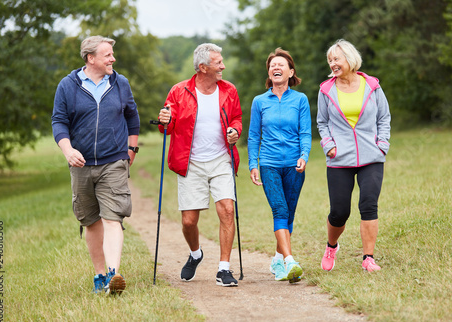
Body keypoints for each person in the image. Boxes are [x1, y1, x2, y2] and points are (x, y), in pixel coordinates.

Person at [51, 36, 140, 294]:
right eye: (108, 55)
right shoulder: (68, 86)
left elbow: (132, 117)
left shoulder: (120, 83)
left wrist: (130, 151)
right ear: (91, 58)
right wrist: (68, 150)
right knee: (91, 221)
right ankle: (100, 276)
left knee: (113, 218)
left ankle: (114, 274)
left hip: (113, 161)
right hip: (81, 165)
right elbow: (59, 122)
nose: (113, 59)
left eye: (112, 54)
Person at [157, 43, 242, 287]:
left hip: (220, 160)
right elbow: (167, 127)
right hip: (190, 162)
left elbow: (236, 118)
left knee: (227, 209)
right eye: (218, 63)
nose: (223, 66)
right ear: (203, 67)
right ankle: (196, 254)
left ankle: (223, 269)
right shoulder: (178, 91)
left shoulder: (229, 90)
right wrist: (165, 119)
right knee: (189, 222)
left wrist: (235, 131)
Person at [317, 39, 391, 272]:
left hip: (371, 156)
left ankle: (368, 258)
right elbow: (322, 121)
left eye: (336, 59)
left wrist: (382, 144)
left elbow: (384, 117)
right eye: (330, 60)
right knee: (339, 212)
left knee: (369, 204)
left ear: (350, 58)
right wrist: (329, 145)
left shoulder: (372, 86)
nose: (333, 64)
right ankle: (331, 246)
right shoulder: (326, 90)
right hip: (339, 158)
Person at [248, 48, 311, 283]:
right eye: (272, 65)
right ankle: (290, 261)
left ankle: (277, 258)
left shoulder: (300, 100)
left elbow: (305, 132)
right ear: (269, 72)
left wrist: (304, 155)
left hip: (295, 164)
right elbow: (254, 135)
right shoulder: (259, 101)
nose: (276, 67)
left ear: (290, 72)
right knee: (280, 210)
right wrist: (252, 163)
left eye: (281, 65)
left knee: (289, 213)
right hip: (269, 163)